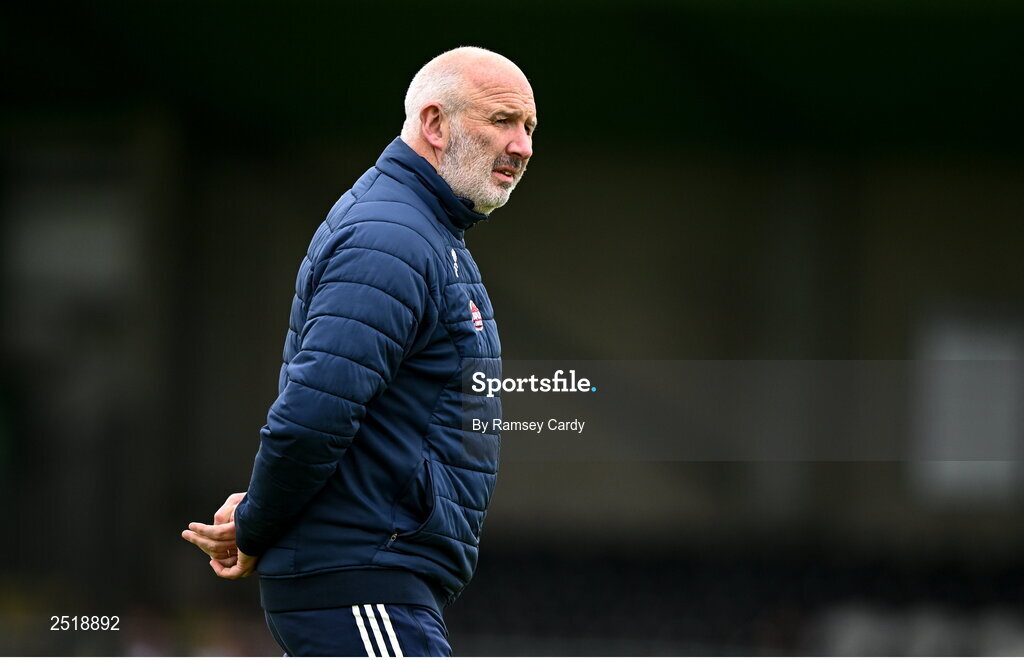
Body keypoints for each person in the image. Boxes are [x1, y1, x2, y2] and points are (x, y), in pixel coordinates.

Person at [180, 46, 536, 656]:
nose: (522, 146)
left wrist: (264, 511)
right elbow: (314, 414)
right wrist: (260, 521)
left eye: (529, 128)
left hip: (372, 577)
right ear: (434, 123)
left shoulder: (423, 231)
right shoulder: (390, 235)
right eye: (502, 121)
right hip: (360, 579)